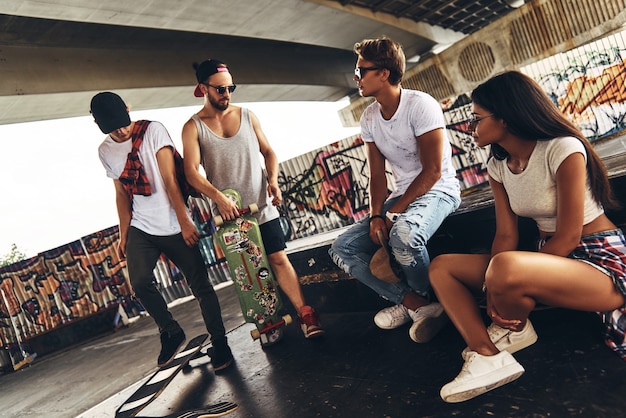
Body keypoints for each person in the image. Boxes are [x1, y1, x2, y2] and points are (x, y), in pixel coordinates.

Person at [429, 70, 626, 403]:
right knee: (442, 267)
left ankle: (511, 327)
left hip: (601, 261)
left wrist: (496, 280)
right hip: (547, 260)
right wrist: (494, 281)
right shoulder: (499, 165)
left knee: (503, 268)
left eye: (476, 119)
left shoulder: (563, 149)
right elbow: (505, 234)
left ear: (505, 118)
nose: (470, 128)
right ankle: (489, 355)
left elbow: (567, 236)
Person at [328, 36, 461, 343]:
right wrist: (376, 215)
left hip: (438, 191)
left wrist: (397, 212)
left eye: (362, 71)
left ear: (384, 73)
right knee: (342, 249)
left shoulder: (420, 106)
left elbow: (432, 171)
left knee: (405, 237)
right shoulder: (370, 117)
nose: (356, 78)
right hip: (399, 197)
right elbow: (377, 176)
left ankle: (421, 301)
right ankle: (416, 304)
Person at [181, 59, 325, 339]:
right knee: (248, 270)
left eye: (230, 88)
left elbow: (269, 153)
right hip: (231, 217)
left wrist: (273, 180)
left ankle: (306, 315)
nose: (227, 94)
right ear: (202, 89)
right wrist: (219, 199)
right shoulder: (193, 127)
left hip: (260, 204)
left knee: (278, 259)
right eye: (220, 89)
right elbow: (191, 173)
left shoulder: (248, 115)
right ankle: (268, 320)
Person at [90, 92, 234, 370]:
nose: (120, 132)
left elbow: (169, 178)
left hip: (173, 220)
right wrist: (123, 234)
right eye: (112, 128)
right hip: (141, 227)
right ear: (98, 124)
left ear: (129, 111)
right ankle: (170, 330)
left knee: (201, 285)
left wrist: (183, 220)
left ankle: (220, 344)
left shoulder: (152, 130)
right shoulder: (104, 151)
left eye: (123, 123)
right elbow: (121, 192)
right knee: (141, 283)